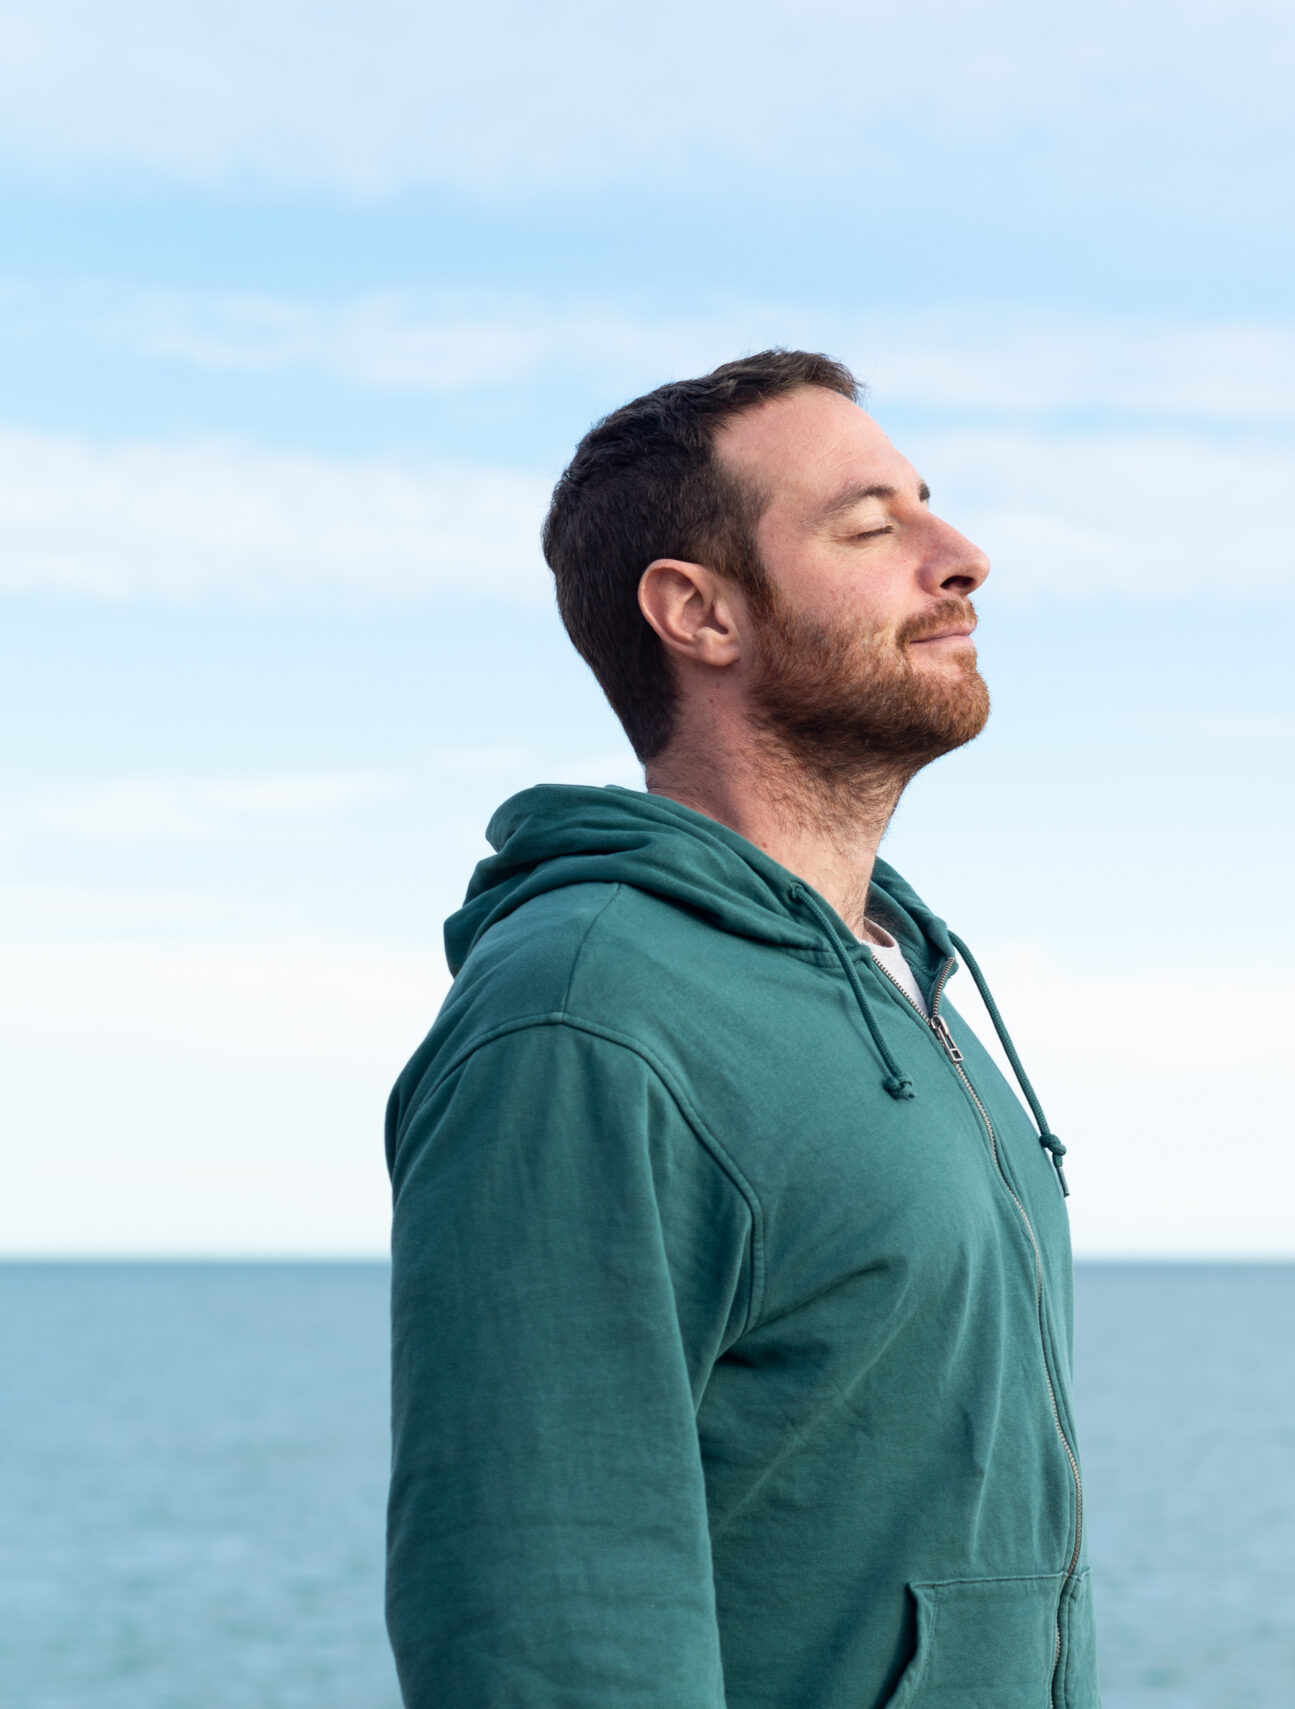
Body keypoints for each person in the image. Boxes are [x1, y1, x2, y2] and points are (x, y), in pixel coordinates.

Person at [382, 350, 1091, 1708]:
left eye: (930, 507)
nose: (963, 556)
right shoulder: (584, 1015)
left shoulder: (908, 983)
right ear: (698, 611)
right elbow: (549, 1630)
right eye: (874, 527)